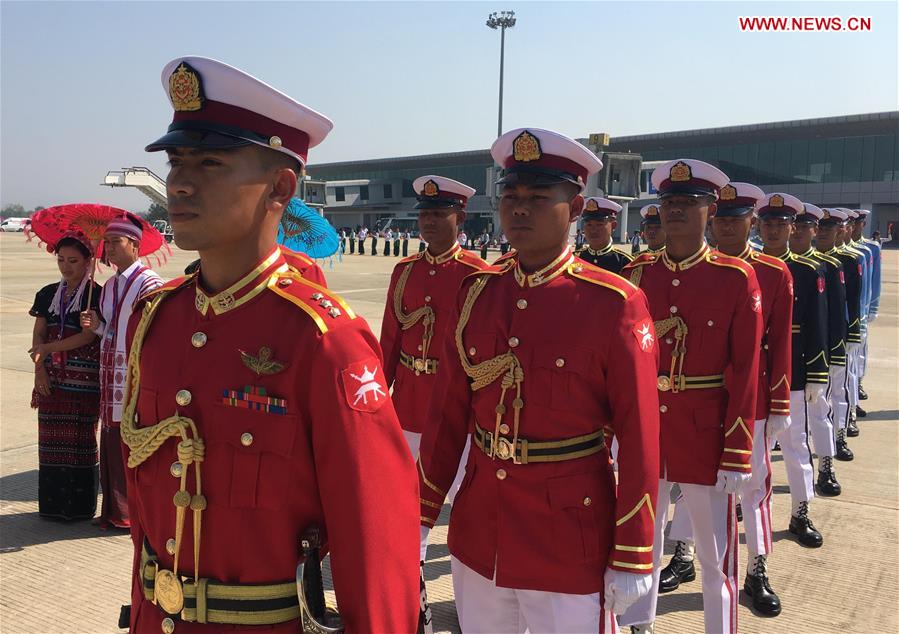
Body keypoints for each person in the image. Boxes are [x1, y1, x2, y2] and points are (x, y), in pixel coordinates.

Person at [123, 56, 419, 633]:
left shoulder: (323, 342)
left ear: (280, 187)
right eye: (177, 161)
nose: (179, 182)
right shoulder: (156, 321)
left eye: (209, 162)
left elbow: (375, 540)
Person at [418, 127, 659, 633]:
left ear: (574, 209)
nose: (519, 209)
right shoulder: (476, 294)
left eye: (537, 197)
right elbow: (447, 416)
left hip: (568, 533)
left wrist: (634, 550)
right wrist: (420, 511)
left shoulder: (612, 303)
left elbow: (638, 435)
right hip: (482, 527)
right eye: (510, 196)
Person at [620, 159, 762, 634]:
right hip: (647, 433)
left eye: (688, 203)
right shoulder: (637, 274)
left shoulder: (735, 277)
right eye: (668, 203)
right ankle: (640, 625)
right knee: (640, 545)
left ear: (710, 210)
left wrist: (738, 450)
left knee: (713, 554)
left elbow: (745, 370)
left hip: (707, 437)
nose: (675, 211)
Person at [662, 182, 793, 617]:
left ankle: (758, 566)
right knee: (679, 497)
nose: (728, 227)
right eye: (724, 220)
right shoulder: (649, 271)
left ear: (749, 222)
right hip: (675, 413)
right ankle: (680, 553)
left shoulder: (768, 272)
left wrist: (778, 404)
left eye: (736, 220)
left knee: (751, 488)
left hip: (742, 405)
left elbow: (775, 346)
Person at [380, 175, 487, 467]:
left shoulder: (478, 275)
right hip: (408, 400)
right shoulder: (405, 271)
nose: (429, 221)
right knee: (401, 484)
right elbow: (390, 340)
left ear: (460, 217)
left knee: (458, 488)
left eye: (439, 214)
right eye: (424, 213)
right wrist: (378, 396)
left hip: (453, 402)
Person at [80, 216, 164, 530]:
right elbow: (111, 332)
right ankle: (114, 511)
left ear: (134, 245)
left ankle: (131, 512)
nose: (110, 248)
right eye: (108, 242)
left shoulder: (149, 282)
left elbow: (153, 331)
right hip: (110, 371)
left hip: (134, 373)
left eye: (117, 242)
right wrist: (96, 325)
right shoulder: (111, 285)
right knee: (112, 441)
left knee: (131, 440)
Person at [757, 192, 828, 549]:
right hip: (754, 374)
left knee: (795, 445)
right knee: (753, 452)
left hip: (794, 372)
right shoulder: (747, 266)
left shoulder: (807, 269)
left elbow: (818, 324)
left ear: (792, 228)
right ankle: (747, 505)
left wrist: (817, 373)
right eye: (767, 223)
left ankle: (801, 510)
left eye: (780, 224)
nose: (773, 230)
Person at [29, 232, 102, 520]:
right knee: (50, 443)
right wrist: (39, 369)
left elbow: (86, 337)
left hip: (83, 384)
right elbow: (38, 333)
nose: (66, 266)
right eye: (61, 259)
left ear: (88, 261)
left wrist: (47, 348)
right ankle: (51, 507)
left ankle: (79, 509)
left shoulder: (96, 294)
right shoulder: (47, 293)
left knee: (81, 443)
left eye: (73, 260)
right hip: (51, 380)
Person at [789, 203, 843, 496]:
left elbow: (830, 317)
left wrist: (825, 363)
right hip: (775, 362)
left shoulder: (824, 266)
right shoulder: (765, 265)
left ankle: (826, 464)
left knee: (818, 414)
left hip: (806, 357)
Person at [818, 208, 861, 461]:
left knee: (837, 389)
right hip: (810, 340)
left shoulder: (847, 261)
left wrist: (852, 333)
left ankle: (840, 434)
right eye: (820, 228)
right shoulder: (803, 263)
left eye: (828, 228)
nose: (823, 232)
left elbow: (852, 301)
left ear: (839, 230)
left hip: (837, 336)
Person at [575, 197, 634, 274]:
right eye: (589, 224)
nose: (593, 230)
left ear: (613, 226)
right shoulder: (575, 258)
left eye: (599, 224)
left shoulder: (625, 263)